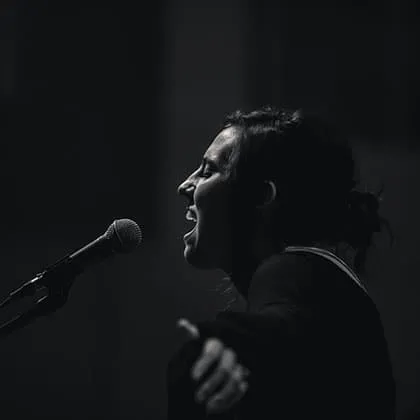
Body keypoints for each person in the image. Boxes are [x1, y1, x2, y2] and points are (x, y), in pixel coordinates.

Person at [166, 106, 396, 420]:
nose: (184, 186)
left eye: (208, 171)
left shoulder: (296, 272)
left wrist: (223, 347)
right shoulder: (326, 282)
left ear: (262, 196)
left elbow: (281, 328)